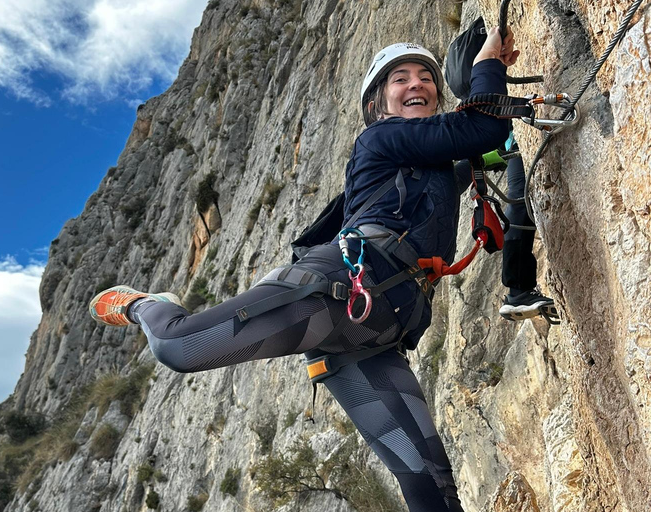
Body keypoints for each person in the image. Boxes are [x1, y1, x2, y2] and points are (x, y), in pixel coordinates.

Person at [90, 27, 519, 512]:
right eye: (401, 78)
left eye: (426, 77)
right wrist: (488, 63)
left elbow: (480, 150)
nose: (418, 84)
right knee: (179, 346)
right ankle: (148, 304)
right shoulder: (379, 138)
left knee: (432, 490)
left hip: (375, 331)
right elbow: (481, 128)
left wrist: (505, 148)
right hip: (334, 289)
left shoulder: (432, 164)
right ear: (379, 105)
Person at [445, 17, 558, 322]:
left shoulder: (469, 77)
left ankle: (519, 290)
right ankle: (519, 289)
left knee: (511, 190)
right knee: (520, 197)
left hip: (502, 141)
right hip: (508, 140)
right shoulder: (479, 55)